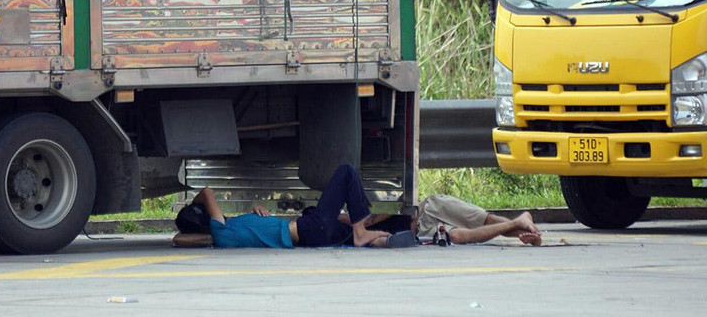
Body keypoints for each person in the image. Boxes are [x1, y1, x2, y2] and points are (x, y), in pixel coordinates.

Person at [174, 164, 418, 249]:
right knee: (346, 172)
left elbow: (179, 238)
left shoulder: (228, 232)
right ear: (206, 218)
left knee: (326, 219)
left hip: (312, 235)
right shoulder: (220, 231)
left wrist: (259, 215)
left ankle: (382, 239)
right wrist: (194, 205)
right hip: (309, 229)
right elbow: (206, 192)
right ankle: (362, 233)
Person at [362, 194, 543, 246]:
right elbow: (377, 241)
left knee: (485, 219)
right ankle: (519, 223)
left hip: (427, 207)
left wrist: (365, 220)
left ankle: (529, 233)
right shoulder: (352, 235)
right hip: (421, 231)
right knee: (457, 237)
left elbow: (392, 203)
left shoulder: (354, 212)